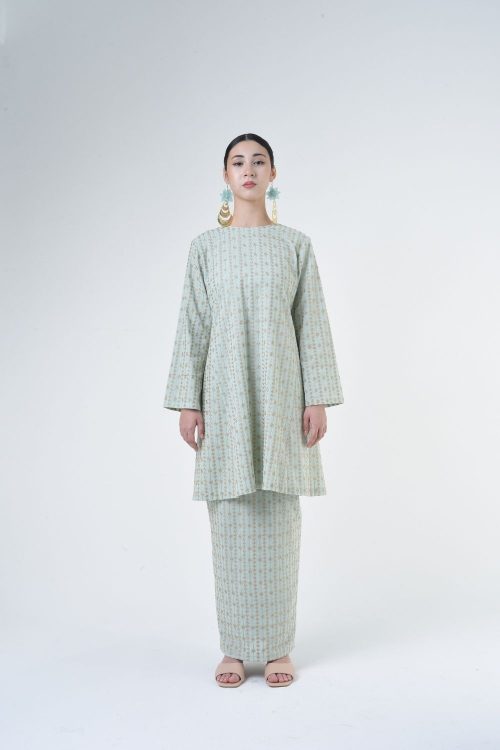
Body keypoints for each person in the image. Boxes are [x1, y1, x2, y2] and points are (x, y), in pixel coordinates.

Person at [163, 133, 344, 688]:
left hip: (281, 395)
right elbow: (193, 325)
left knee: (279, 517)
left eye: (258, 161)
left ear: (273, 174)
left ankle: (279, 647)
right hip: (225, 396)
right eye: (238, 162)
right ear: (225, 176)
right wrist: (188, 401)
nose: (249, 169)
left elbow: (311, 322)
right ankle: (235, 650)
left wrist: (316, 396)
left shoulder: (295, 246)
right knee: (232, 518)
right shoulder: (205, 249)